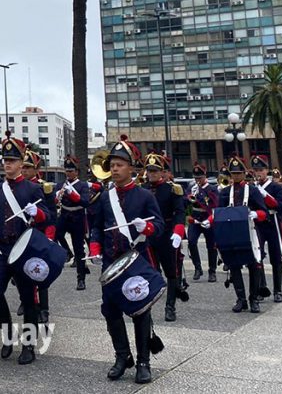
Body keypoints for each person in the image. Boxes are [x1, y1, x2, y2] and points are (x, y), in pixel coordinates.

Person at [88, 135, 164, 384]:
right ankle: (122, 356)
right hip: (111, 262)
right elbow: (97, 226)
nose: (114, 169)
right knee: (110, 310)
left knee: (140, 311)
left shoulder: (145, 196)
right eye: (112, 165)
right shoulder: (104, 197)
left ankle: (143, 362)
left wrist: (147, 228)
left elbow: (159, 226)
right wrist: (95, 247)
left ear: (131, 168)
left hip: (136, 260)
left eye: (119, 165)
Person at [0, 133, 49, 365]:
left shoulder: (32, 189)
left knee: (28, 299)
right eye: (5, 160)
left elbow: (48, 217)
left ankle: (29, 345)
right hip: (2, 249)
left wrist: (37, 213)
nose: (7, 164)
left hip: (24, 250)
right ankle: (7, 334)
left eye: (12, 160)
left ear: (22, 163)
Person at [215, 156, 269, 313]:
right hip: (232, 231)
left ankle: (254, 298)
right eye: (234, 173)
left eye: (239, 173)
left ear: (244, 173)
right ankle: (241, 299)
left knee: (254, 265)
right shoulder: (225, 192)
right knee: (234, 264)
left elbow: (264, 212)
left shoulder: (252, 190)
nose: (236, 176)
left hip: (250, 230)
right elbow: (219, 212)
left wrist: (256, 214)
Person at [143, 152, 186, 322]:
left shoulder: (171, 189)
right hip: (148, 236)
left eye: (155, 171)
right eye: (149, 170)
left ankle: (170, 307)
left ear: (162, 172)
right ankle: (147, 306)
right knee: (150, 272)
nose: (151, 174)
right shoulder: (142, 189)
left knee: (171, 272)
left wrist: (178, 231)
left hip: (167, 234)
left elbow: (179, 212)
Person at [20, 151, 52, 323]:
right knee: (22, 272)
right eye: (23, 167)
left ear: (36, 169)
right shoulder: (16, 187)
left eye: (28, 167)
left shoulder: (43, 187)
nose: (24, 170)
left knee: (40, 272)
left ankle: (44, 308)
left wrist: (49, 237)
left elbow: (51, 216)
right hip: (22, 235)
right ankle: (27, 302)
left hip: (39, 234)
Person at [251, 155, 282, 302]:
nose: (258, 173)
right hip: (258, 223)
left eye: (261, 170)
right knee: (257, 255)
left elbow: (281, 206)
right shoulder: (252, 188)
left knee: (276, 256)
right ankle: (262, 287)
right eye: (256, 170)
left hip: (272, 222)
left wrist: (265, 195)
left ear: (267, 170)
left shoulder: (275, 187)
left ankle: (278, 290)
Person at [55, 156, 93, 289]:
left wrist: (73, 194)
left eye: (71, 171)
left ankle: (81, 279)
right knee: (56, 234)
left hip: (77, 217)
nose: (68, 173)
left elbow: (85, 202)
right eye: (67, 171)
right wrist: (57, 196)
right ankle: (67, 252)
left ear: (76, 172)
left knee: (79, 249)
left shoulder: (82, 185)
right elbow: (55, 202)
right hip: (65, 214)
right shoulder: (60, 185)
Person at [186, 162, 218, 283]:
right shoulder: (192, 187)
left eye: (200, 178)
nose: (197, 180)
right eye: (196, 178)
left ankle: (212, 271)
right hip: (196, 218)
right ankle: (197, 268)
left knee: (211, 245)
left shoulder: (212, 189)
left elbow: (214, 204)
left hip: (208, 218)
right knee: (191, 241)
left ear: (205, 176)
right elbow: (185, 203)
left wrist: (210, 219)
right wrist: (189, 197)